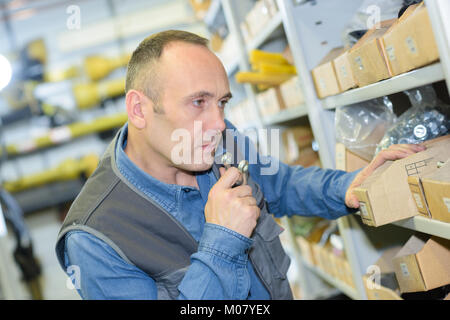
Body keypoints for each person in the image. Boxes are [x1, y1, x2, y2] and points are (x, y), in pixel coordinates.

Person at [55, 30, 425, 300]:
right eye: (198, 101)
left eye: (222, 102)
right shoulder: (95, 237)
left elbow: (280, 185)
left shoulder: (213, 139)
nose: (219, 122)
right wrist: (222, 240)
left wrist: (347, 187)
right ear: (139, 109)